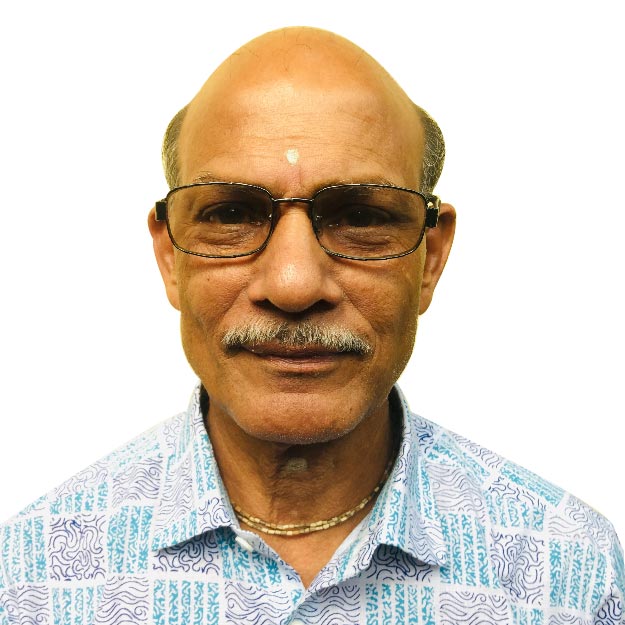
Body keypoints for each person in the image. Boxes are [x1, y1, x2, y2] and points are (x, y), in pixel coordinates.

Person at [0, 26, 622, 624]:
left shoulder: (570, 574)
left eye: (360, 217)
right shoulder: (28, 580)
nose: (294, 285)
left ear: (430, 258)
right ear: (169, 257)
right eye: (232, 214)